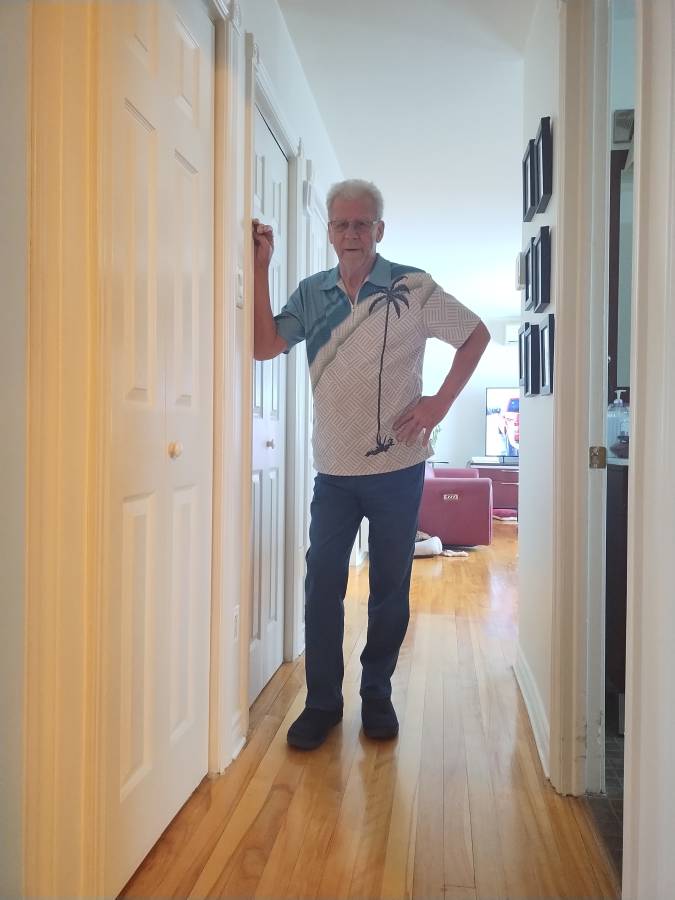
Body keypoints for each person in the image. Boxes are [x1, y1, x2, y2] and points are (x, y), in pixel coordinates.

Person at [252, 179, 489, 750]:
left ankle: (377, 694)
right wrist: (260, 268)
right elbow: (263, 346)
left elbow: (476, 335)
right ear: (330, 232)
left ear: (379, 229)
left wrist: (439, 404)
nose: (352, 233)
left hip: (398, 471)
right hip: (334, 472)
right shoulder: (312, 294)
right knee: (321, 586)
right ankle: (322, 702)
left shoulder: (413, 286)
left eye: (362, 224)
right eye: (342, 224)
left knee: (388, 588)